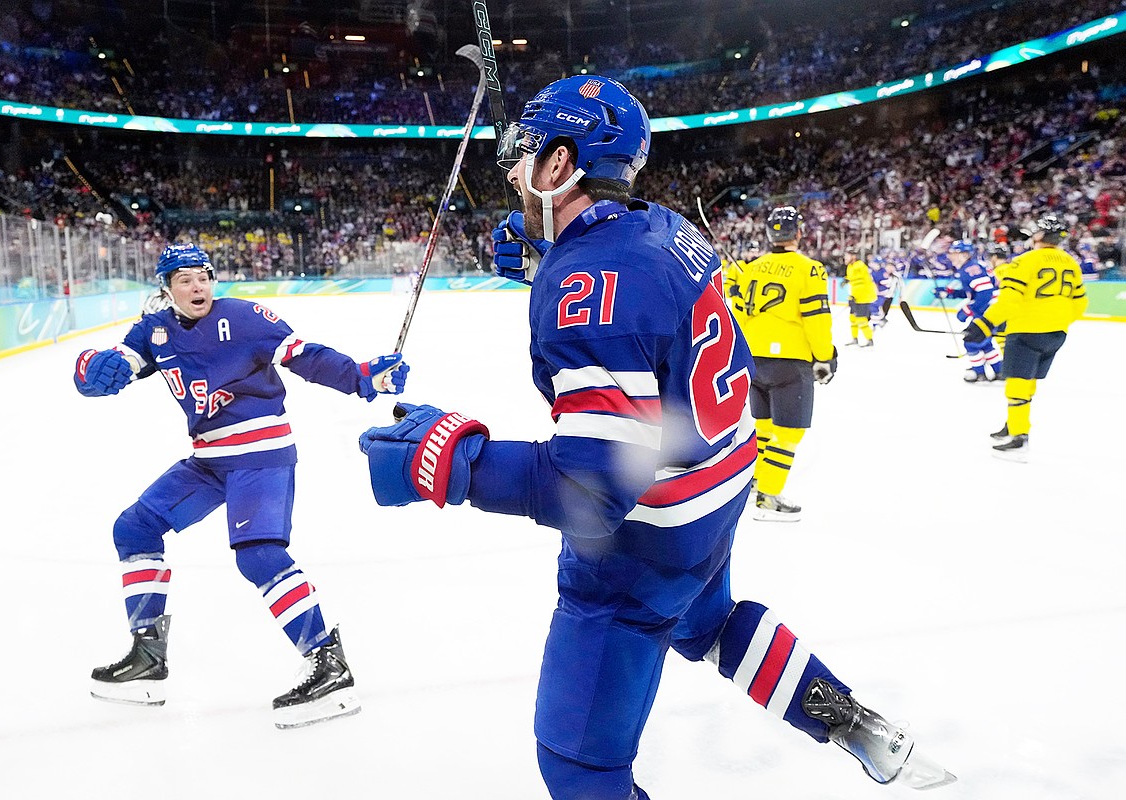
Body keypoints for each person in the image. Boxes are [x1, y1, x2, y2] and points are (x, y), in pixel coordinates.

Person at [357, 76, 953, 799]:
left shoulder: (591, 284)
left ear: (558, 166)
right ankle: (854, 721)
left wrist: (450, 462)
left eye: (525, 153)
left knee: (579, 765)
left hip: (644, 537)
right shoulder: (671, 227)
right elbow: (646, 313)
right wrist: (554, 260)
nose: (511, 169)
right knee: (708, 622)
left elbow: (590, 488)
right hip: (717, 489)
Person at [73, 243, 409, 727]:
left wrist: (361, 377)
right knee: (134, 529)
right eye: (184, 279)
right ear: (166, 289)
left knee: (259, 554)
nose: (197, 286)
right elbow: (117, 364)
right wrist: (91, 370)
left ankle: (327, 662)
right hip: (208, 459)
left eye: (203, 276)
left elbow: (304, 356)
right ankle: (148, 656)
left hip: (260, 453)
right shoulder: (155, 331)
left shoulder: (245, 316)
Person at [734, 206, 837, 521]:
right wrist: (825, 355)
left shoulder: (751, 267)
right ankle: (769, 497)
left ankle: (755, 482)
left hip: (754, 359)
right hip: (789, 362)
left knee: (764, 428)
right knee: (789, 434)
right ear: (799, 233)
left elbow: (737, 312)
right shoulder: (809, 269)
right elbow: (817, 319)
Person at [965, 214, 1087, 461]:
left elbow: (1010, 299)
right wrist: (1058, 322)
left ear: (1040, 236)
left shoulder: (1025, 261)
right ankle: (1013, 424)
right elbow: (1080, 303)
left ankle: (1019, 436)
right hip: (1056, 334)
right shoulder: (1071, 263)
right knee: (1029, 381)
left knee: (1017, 383)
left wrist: (985, 323)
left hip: (1026, 331)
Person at [937, 240, 1002, 382]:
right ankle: (1000, 370)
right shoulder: (971, 266)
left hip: (990, 311)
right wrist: (949, 293)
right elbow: (974, 292)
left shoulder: (971, 269)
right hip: (994, 309)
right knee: (984, 342)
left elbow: (985, 294)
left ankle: (978, 372)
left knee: (971, 341)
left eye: (954, 253)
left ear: (964, 254)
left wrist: (968, 310)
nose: (951, 256)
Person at [843, 251, 877, 346]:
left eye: (847, 256)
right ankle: (854, 339)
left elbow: (863, 283)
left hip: (862, 298)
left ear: (853, 257)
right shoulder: (850, 267)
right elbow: (853, 281)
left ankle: (869, 340)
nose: (845, 258)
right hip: (855, 297)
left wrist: (855, 296)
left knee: (861, 320)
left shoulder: (860, 266)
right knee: (853, 318)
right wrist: (847, 280)